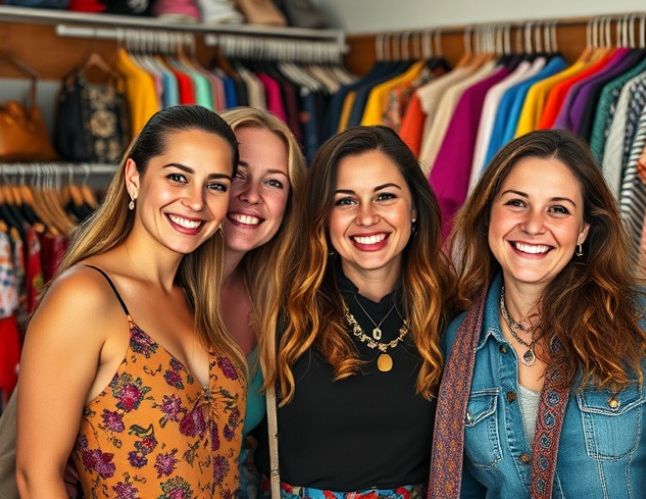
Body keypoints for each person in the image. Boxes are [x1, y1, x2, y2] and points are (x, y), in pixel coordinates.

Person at [430, 129, 646, 499]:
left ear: (584, 229)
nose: (534, 225)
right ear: (488, 214)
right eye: (516, 203)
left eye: (558, 209)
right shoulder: (459, 340)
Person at [16, 105, 246, 498]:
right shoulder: (86, 296)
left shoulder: (195, 298)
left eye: (216, 185)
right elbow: (36, 477)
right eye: (178, 177)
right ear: (134, 178)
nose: (196, 201)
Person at [259, 126, 455, 499]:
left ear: (414, 208)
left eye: (384, 196)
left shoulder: (455, 314)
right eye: (345, 201)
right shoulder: (279, 310)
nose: (366, 217)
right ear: (322, 215)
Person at [219, 107, 305, 498]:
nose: (252, 195)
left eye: (273, 182)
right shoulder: (138, 289)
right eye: (238, 172)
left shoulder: (279, 300)